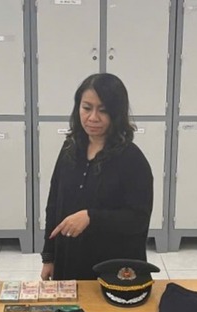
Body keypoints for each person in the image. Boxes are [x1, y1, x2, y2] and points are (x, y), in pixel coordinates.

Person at [41, 73, 153, 281]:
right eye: (86, 108)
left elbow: (138, 219)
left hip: (112, 268)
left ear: (116, 114)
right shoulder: (69, 149)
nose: (93, 118)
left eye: (103, 110)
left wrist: (92, 217)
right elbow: (54, 204)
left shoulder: (132, 159)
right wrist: (49, 257)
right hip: (69, 261)